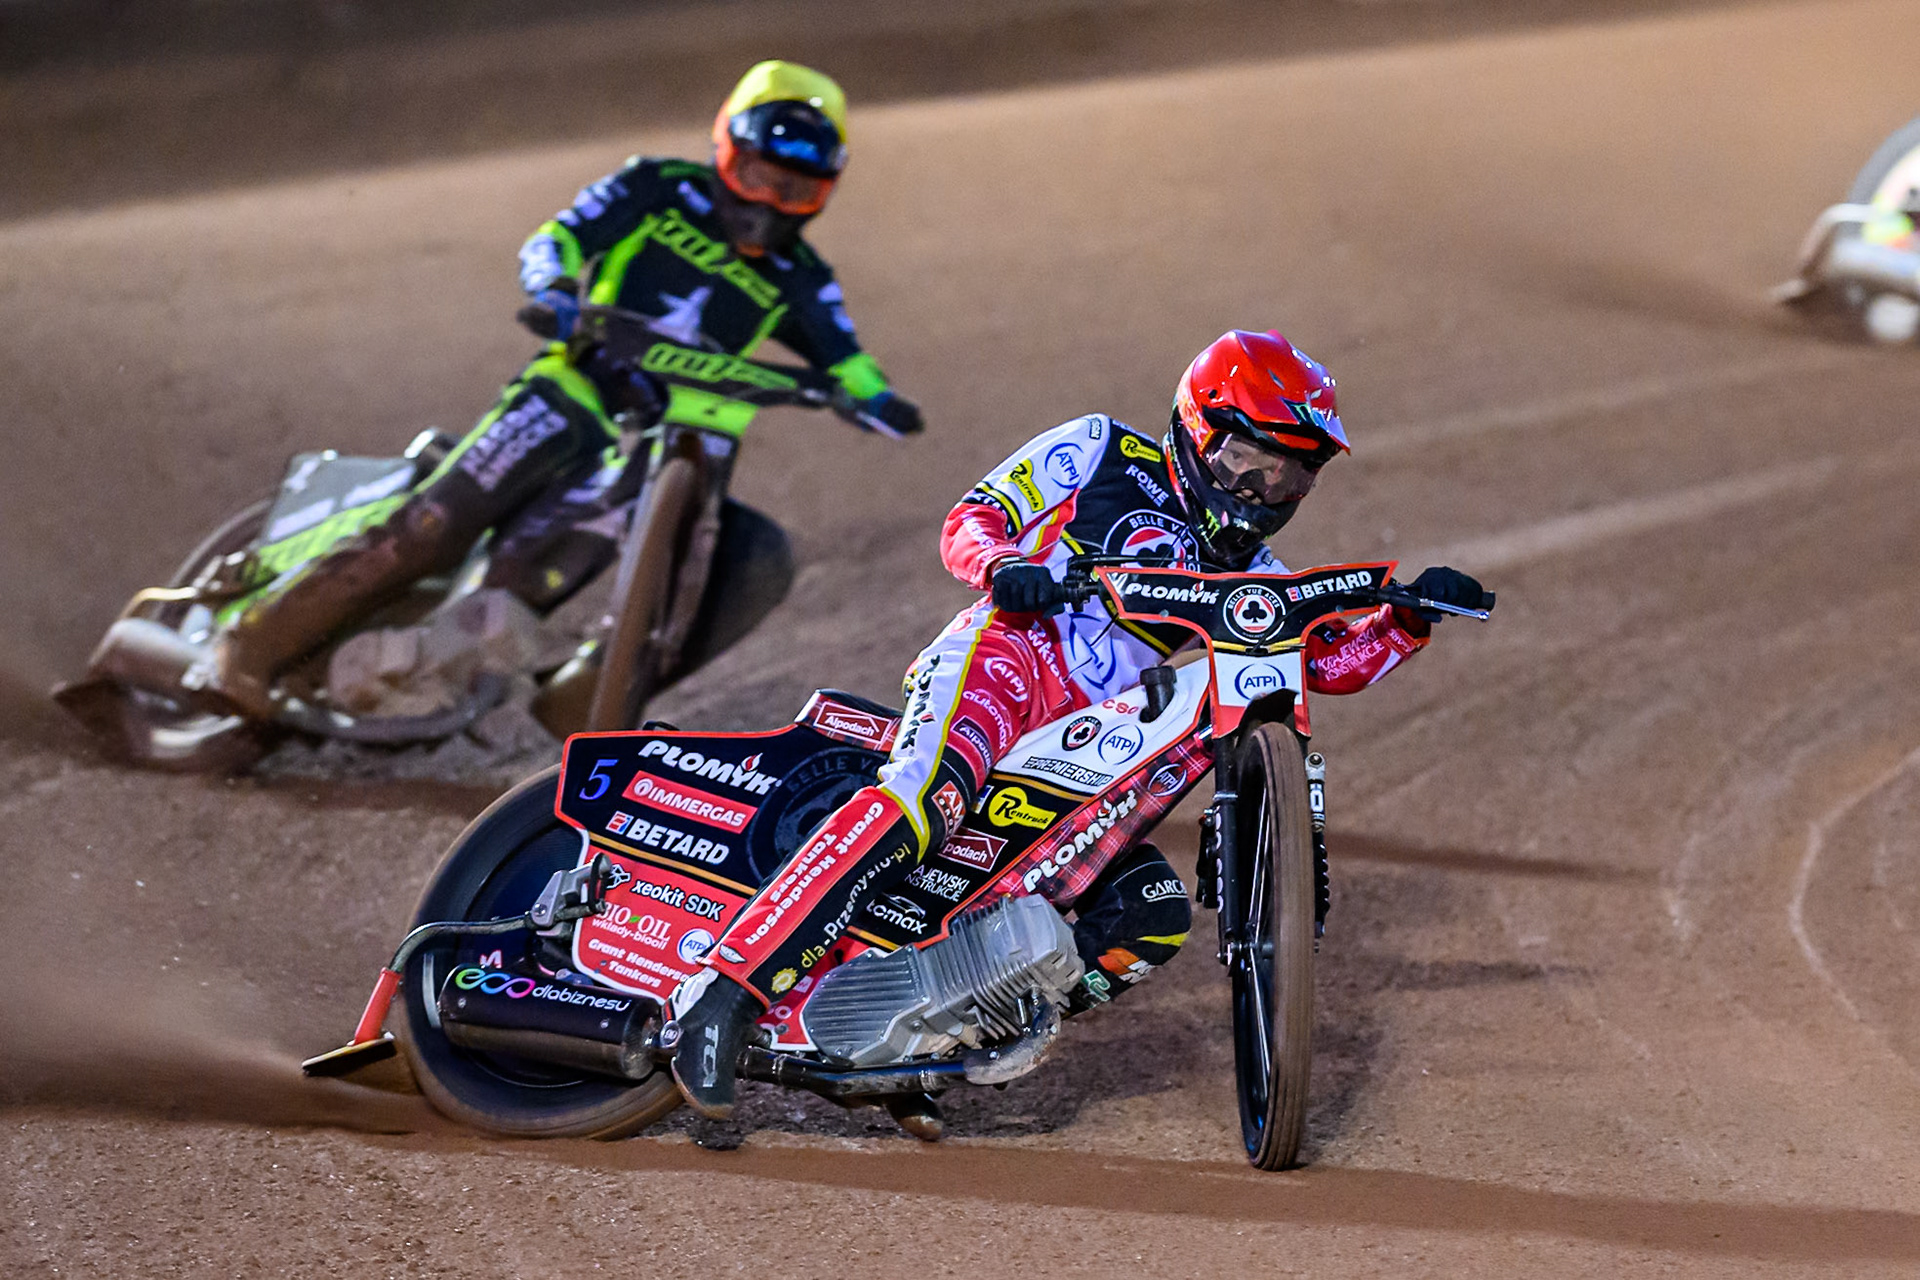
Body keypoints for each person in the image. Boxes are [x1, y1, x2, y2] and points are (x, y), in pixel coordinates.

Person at [667, 328, 1490, 1128]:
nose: (1260, 492)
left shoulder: (1259, 581)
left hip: (1091, 753)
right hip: (1009, 661)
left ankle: (923, 1037)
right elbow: (973, 518)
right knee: (926, 804)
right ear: (1199, 428)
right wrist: (1004, 569)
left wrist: (1408, 619)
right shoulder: (1099, 450)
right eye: (1248, 462)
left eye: (1287, 479)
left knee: (1153, 912)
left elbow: (1333, 665)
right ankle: (724, 994)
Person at [203, 60, 921, 717]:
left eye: (796, 190)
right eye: (759, 176)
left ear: (823, 194)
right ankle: (249, 643)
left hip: (654, 430)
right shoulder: (656, 187)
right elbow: (562, 236)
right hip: (570, 387)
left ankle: (461, 676)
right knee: (436, 527)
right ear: (724, 148)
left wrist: (875, 398)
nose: (770, 203)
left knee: (533, 580)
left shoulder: (802, 276)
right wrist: (551, 285)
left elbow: (844, 355)